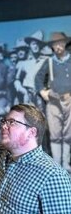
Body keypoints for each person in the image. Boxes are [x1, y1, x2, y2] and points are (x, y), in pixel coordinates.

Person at [35, 32, 71, 172]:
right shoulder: (49, 62)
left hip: (70, 101)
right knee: (55, 134)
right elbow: (38, 79)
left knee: (68, 133)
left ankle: (66, 163)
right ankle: (57, 164)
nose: (58, 46)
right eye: (55, 44)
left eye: (60, 43)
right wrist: (44, 92)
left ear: (65, 44)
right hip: (54, 102)